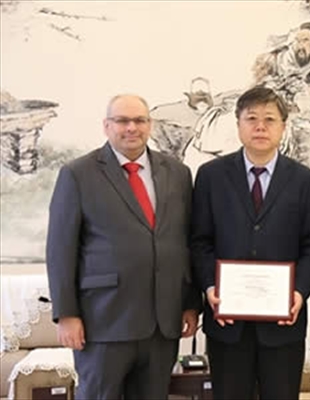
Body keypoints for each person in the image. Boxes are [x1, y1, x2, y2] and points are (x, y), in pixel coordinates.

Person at [46, 94, 200, 399]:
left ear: (150, 125)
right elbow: (60, 250)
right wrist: (66, 314)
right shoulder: (78, 174)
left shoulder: (178, 173)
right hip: (104, 322)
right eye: (122, 121)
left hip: (162, 324)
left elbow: (187, 241)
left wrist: (191, 303)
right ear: (106, 126)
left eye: (139, 120)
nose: (132, 128)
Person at [191, 87, 310, 399]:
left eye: (269, 119)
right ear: (238, 125)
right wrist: (210, 287)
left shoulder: (306, 181)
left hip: (283, 323)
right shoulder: (211, 176)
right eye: (251, 119)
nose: (260, 127)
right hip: (227, 321)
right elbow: (199, 241)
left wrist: (299, 292)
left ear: (283, 126)